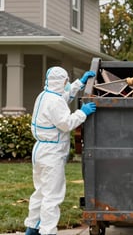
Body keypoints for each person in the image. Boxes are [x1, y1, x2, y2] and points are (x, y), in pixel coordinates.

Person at [24, 67, 97, 235]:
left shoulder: (45, 95)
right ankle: (47, 231)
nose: (67, 84)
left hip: (41, 150)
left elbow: (65, 96)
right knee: (53, 195)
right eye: (66, 81)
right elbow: (66, 123)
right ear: (60, 82)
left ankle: (33, 227)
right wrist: (82, 113)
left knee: (41, 192)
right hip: (51, 152)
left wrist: (80, 83)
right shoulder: (54, 102)